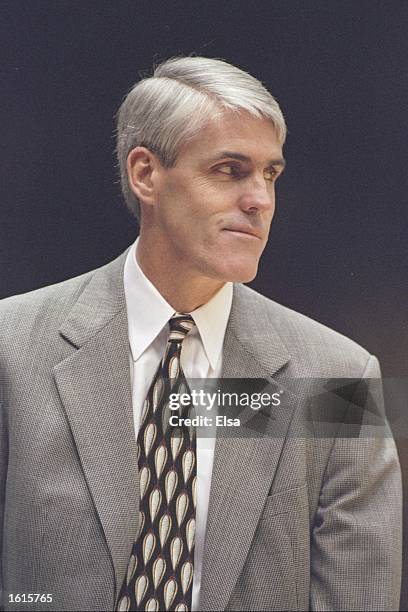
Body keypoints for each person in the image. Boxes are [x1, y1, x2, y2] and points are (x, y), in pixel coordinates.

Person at [0, 56, 402, 612]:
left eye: (270, 174)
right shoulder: (10, 346)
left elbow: (359, 597)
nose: (260, 199)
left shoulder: (339, 375)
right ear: (145, 174)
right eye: (229, 169)